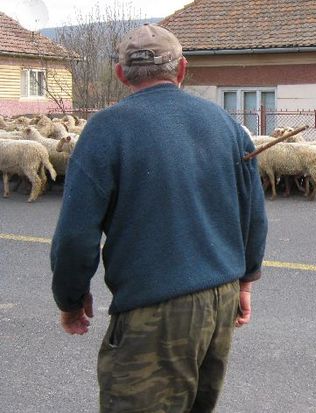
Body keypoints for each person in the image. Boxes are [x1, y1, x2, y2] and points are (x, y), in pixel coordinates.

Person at [50, 24, 268, 411]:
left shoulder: (107, 129)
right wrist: (246, 281)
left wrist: (70, 299)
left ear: (121, 75)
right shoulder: (226, 126)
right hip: (220, 301)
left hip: (154, 310)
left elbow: (75, 235)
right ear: (181, 69)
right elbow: (253, 214)